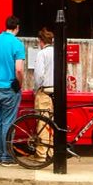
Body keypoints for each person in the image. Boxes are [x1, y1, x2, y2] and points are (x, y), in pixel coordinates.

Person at [0, 15, 25, 167]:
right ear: (17, 27)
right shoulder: (17, 44)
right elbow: (19, 69)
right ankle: (6, 157)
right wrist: (19, 84)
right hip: (8, 88)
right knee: (8, 122)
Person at [33, 27, 54, 162]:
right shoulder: (58, 52)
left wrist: (36, 89)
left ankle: (41, 154)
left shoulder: (42, 53)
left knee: (42, 123)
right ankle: (52, 152)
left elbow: (39, 75)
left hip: (45, 91)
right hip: (56, 91)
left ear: (41, 41)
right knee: (53, 123)